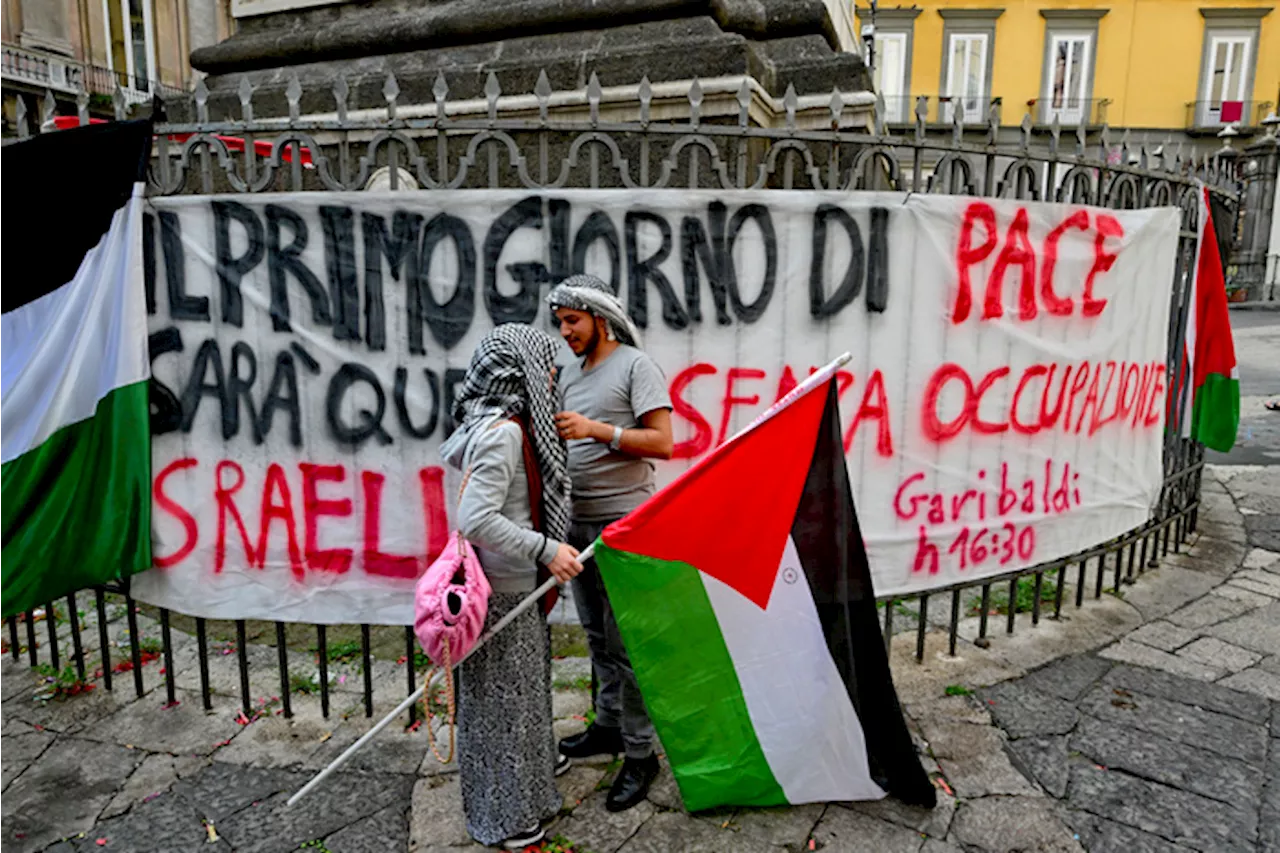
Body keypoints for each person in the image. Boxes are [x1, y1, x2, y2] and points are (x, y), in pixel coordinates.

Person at [439, 324, 585, 851]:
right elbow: (475, 518)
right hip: (504, 589)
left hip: (507, 585)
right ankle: (502, 820)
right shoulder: (504, 433)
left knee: (514, 703)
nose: (550, 379)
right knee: (502, 709)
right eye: (543, 368)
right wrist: (547, 550)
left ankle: (526, 799)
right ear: (517, 372)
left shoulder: (492, 424)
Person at [547, 274, 674, 812]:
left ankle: (642, 755)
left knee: (629, 649)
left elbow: (664, 443)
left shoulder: (636, 367)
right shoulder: (570, 373)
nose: (565, 332)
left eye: (572, 321)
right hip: (578, 527)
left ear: (600, 318)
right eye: (559, 323)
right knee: (597, 637)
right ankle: (609, 727)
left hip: (627, 527)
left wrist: (599, 430)